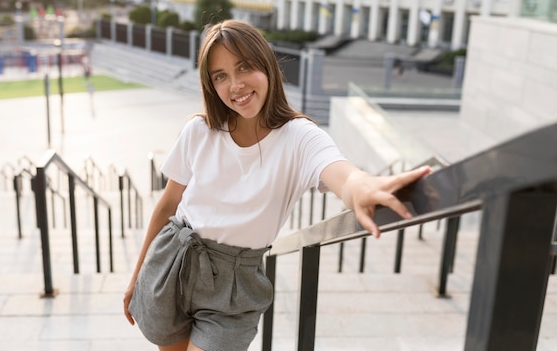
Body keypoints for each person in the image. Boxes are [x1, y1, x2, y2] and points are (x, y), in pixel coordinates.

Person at [123, 19, 430, 351]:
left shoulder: (299, 136)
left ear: (266, 65)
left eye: (244, 67)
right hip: (172, 261)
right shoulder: (199, 131)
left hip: (236, 285)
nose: (235, 85)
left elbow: (341, 172)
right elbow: (167, 205)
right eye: (221, 76)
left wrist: (362, 188)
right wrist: (136, 276)